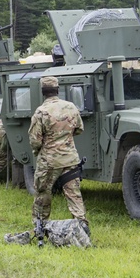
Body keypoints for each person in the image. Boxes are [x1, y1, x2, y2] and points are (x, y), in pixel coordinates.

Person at [29, 75, 88, 234]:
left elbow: (35, 140)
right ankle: (82, 226)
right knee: (74, 195)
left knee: (43, 195)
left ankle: (40, 228)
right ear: (57, 90)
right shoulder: (70, 107)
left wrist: (40, 150)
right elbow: (79, 129)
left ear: (43, 92)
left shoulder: (41, 111)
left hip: (49, 161)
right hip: (70, 159)